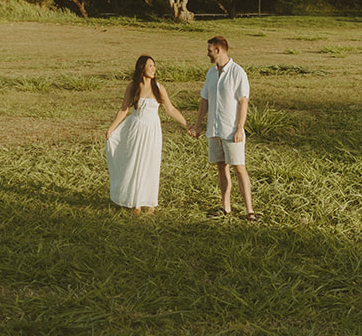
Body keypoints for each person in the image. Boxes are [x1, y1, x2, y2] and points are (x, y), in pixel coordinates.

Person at [105, 54, 190, 213]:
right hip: (136, 128)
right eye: (150, 66)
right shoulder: (133, 86)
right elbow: (124, 109)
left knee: (151, 163)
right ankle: (133, 201)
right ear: (141, 67)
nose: (154, 69)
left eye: (154, 66)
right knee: (134, 162)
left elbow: (170, 109)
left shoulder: (159, 87)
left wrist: (187, 125)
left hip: (152, 130)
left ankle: (149, 202)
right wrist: (111, 128)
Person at [192, 35, 256, 221]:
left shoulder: (238, 72)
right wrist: (198, 125)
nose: (208, 54)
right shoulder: (211, 73)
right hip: (215, 128)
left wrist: (239, 128)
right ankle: (225, 206)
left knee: (239, 167)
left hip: (231, 129)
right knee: (221, 167)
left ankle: (249, 210)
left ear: (219, 50)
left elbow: (243, 101)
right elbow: (205, 100)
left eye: (210, 50)